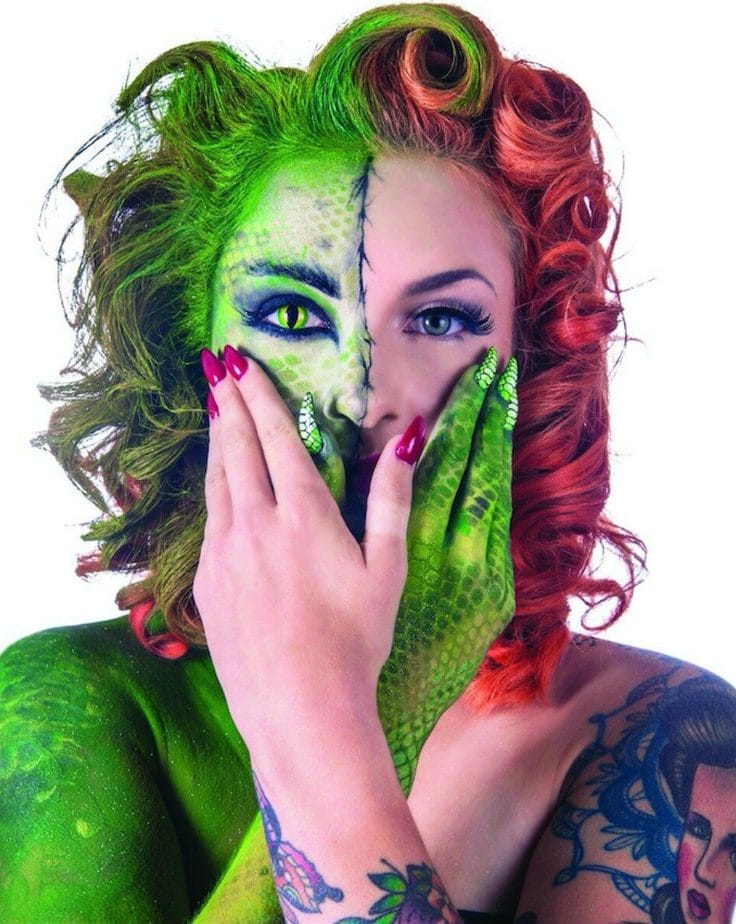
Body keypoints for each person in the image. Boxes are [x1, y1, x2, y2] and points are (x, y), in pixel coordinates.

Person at [1, 4, 734, 922]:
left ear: (533, 366)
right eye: (291, 316)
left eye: (439, 319)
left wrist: (344, 723)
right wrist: (370, 715)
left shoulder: (661, 736)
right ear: (193, 363)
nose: (359, 396)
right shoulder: (65, 705)